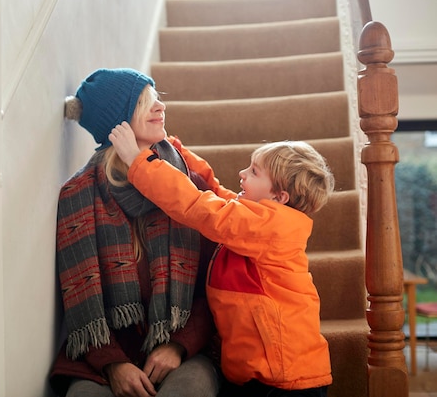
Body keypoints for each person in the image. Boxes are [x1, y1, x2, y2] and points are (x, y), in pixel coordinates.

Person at [109, 122, 335, 397]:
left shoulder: (271, 228)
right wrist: (178, 152)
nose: (242, 174)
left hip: (285, 379)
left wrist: (138, 161)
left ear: (279, 196)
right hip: (255, 372)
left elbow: (200, 206)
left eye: (253, 172)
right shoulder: (255, 219)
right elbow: (215, 192)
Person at [49, 68, 220, 397]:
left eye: (157, 98)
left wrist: (178, 348)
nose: (161, 107)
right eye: (145, 102)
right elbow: (80, 300)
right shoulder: (79, 196)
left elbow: (211, 289)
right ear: (117, 124)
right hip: (101, 354)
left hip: (181, 347)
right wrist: (114, 364)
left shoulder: (186, 186)